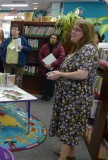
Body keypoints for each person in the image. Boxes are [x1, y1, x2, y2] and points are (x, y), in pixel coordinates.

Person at [47, 19, 98, 160]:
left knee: (69, 127)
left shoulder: (88, 49)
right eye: (73, 29)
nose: (73, 32)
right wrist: (59, 75)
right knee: (72, 126)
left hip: (76, 98)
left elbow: (82, 74)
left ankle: (62, 158)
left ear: (86, 33)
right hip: (70, 96)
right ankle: (71, 154)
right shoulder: (80, 48)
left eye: (77, 30)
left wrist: (60, 74)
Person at [38, 34, 65, 101]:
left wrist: (52, 64)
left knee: (52, 82)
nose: (52, 39)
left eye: (54, 38)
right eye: (51, 38)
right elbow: (40, 55)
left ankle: (50, 95)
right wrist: (44, 64)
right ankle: (45, 94)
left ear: (57, 40)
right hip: (45, 67)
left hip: (54, 68)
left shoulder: (60, 47)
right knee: (45, 81)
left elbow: (61, 58)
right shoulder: (45, 46)